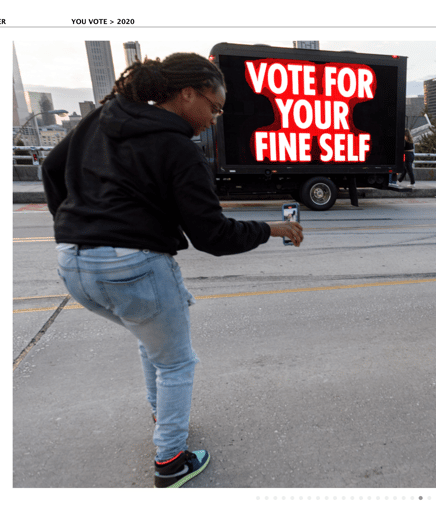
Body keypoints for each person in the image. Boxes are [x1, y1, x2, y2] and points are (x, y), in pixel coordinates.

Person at [41, 53, 304, 488]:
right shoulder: (178, 148)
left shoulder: (104, 117)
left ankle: (163, 416)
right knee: (177, 363)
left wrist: (77, 224)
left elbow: (52, 168)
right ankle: (171, 461)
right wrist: (272, 228)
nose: (213, 119)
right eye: (213, 107)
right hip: (133, 266)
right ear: (187, 93)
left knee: (153, 342)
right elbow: (212, 236)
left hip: (73, 263)